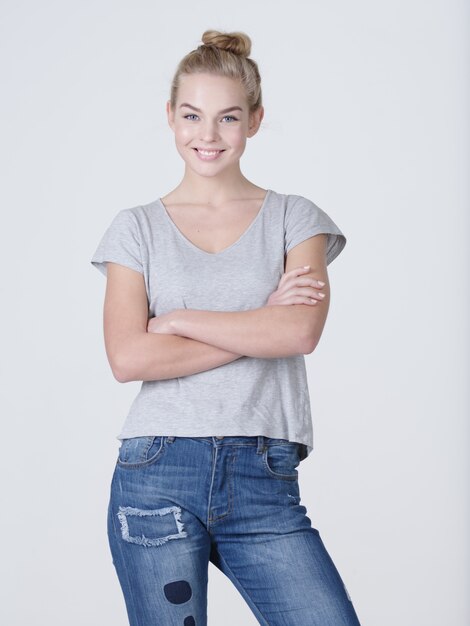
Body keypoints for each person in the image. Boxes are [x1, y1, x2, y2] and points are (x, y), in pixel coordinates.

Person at [91, 29, 361, 626]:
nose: (207, 136)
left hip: (264, 478)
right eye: (192, 115)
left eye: (228, 117)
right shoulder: (135, 230)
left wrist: (179, 321)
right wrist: (258, 320)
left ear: (255, 120)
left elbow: (297, 335)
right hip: (157, 471)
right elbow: (128, 359)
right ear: (170, 116)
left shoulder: (297, 218)